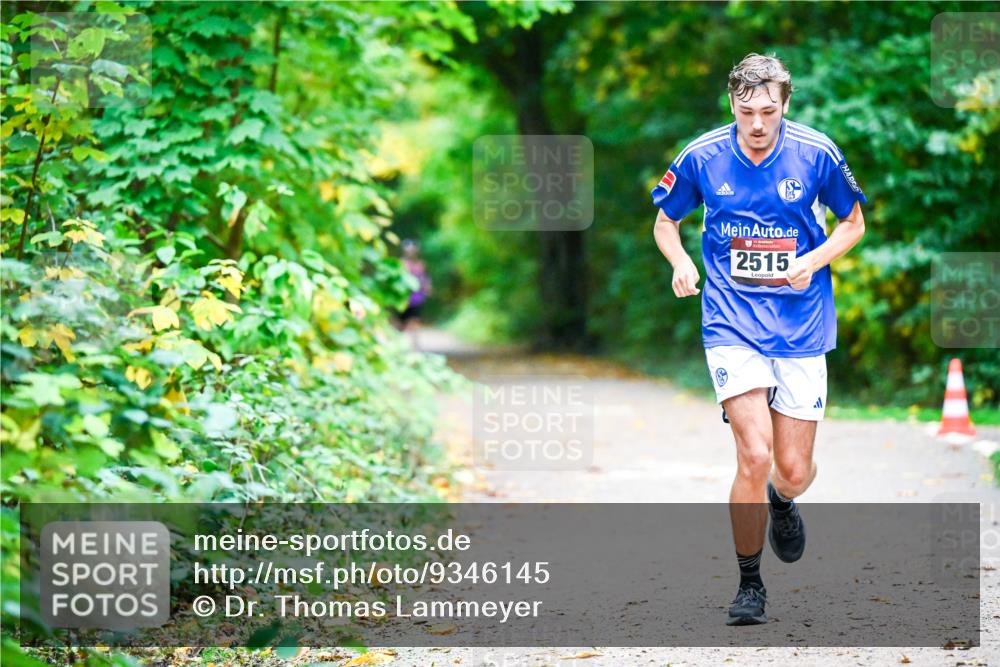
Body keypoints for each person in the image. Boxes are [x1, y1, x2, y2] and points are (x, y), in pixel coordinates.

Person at [651, 53, 867, 626]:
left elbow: (853, 223)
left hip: (801, 322)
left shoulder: (817, 154)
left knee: (791, 469)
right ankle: (750, 584)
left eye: (768, 110)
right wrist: (679, 263)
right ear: (732, 104)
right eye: (746, 110)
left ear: (785, 105)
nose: (756, 123)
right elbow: (665, 220)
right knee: (754, 453)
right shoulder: (702, 156)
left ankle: (784, 499)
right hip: (731, 321)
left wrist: (813, 260)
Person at [399, 239, 432, 348]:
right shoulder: (400, 264)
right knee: (404, 324)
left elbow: (425, 278)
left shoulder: (421, 264)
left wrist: (428, 288)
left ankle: (414, 347)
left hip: (417, 298)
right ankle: (406, 346)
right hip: (403, 298)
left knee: (415, 321)